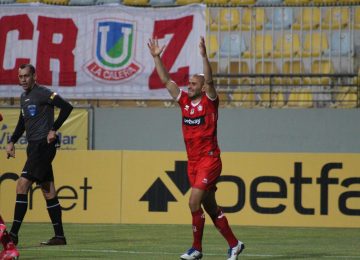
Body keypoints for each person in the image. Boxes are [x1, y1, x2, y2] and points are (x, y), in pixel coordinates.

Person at [147, 37, 245, 260]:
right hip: (192, 162)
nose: (188, 86)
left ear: (202, 87)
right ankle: (234, 244)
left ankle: (197, 248)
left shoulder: (210, 101)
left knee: (193, 201)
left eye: (193, 83)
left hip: (209, 160)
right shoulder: (183, 102)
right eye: (188, 83)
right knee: (211, 207)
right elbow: (165, 81)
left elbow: (209, 80)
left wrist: (203, 56)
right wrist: (156, 57)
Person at [5, 64, 73, 246]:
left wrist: (53, 129)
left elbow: (67, 107)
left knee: (22, 185)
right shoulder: (23, 97)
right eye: (20, 77)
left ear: (34, 76)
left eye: (26, 76)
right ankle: (59, 236)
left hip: (44, 146)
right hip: (33, 147)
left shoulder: (43, 93)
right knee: (48, 190)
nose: (23, 80)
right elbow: (22, 122)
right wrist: (12, 141)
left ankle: (13, 234)